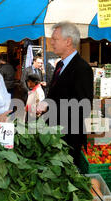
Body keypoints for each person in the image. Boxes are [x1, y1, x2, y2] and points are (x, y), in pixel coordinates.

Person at [36, 21, 94, 162]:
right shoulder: (60, 65)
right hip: (55, 135)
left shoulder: (82, 68)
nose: (52, 43)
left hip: (68, 139)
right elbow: (58, 94)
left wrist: (50, 106)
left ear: (68, 41)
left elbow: (83, 107)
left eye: (55, 39)